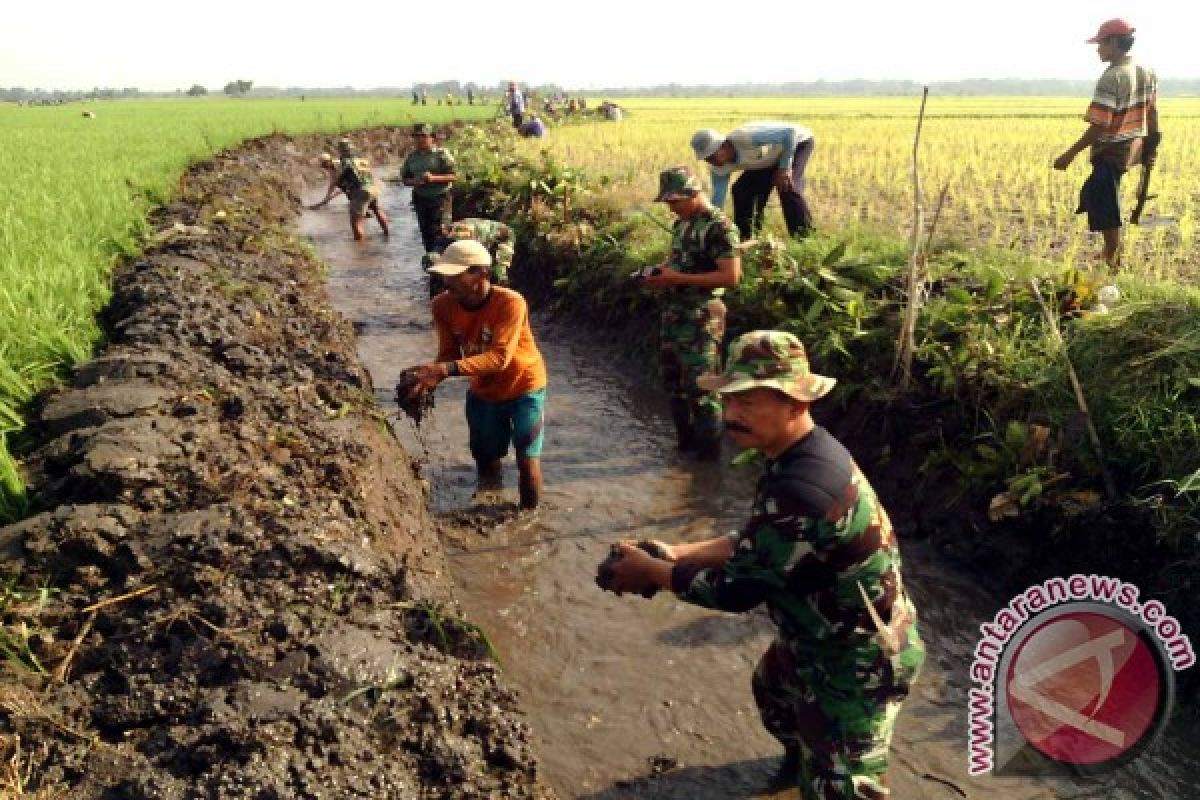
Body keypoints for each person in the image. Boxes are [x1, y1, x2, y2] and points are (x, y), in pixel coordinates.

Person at [604, 330, 924, 798]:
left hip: (859, 658)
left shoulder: (804, 484)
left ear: (796, 403)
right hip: (815, 636)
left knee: (841, 787)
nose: (733, 415)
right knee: (773, 694)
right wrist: (677, 552)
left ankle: (829, 770)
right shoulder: (795, 456)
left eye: (750, 403)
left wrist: (651, 573)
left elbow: (736, 591)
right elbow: (757, 542)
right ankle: (801, 771)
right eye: (730, 400)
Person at [400, 240, 548, 509]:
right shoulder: (442, 306)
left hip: (523, 385)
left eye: (456, 274)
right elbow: (448, 352)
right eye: (446, 273)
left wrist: (445, 370)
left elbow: (500, 359)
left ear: (482, 274)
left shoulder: (510, 303)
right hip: (484, 390)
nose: (447, 280)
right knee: (485, 456)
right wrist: (428, 377)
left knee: (527, 460)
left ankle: (530, 521)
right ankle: (490, 503)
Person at [639, 166, 741, 459]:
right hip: (673, 314)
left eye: (675, 202)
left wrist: (678, 279)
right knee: (674, 384)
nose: (671, 208)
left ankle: (709, 462)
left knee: (704, 388)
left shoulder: (719, 227)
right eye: (668, 203)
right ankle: (684, 449)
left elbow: (730, 277)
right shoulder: (681, 225)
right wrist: (658, 276)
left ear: (694, 194)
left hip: (702, 317)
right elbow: (676, 261)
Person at [1054, 18, 1159, 271]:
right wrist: (1150, 145)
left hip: (1111, 150)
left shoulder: (1113, 77)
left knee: (1105, 205)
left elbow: (1099, 125)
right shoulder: (1147, 69)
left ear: (1114, 42)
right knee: (1098, 196)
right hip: (1131, 147)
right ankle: (1111, 256)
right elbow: (1153, 111)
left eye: (1100, 44)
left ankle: (1112, 260)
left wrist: (1068, 155)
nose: (1098, 49)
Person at [690, 121, 816, 241]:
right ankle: (747, 237)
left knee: (786, 185)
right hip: (768, 159)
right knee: (742, 190)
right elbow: (717, 201)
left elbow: (790, 133)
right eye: (707, 159)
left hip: (797, 142)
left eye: (712, 156)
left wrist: (784, 167)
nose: (711, 162)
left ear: (724, 145)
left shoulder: (746, 138)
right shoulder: (718, 168)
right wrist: (709, 226)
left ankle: (805, 237)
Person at [309, 139, 390, 240]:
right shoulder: (360, 159)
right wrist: (326, 200)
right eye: (323, 165)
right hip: (372, 188)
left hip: (360, 191)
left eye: (325, 164)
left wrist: (326, 199)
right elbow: (336, 184)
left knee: (356, 221)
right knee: (377, 210)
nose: (324, 167)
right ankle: (387, 235)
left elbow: (337, 182)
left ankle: (360, 250)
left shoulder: (343, 162)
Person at [401, 123, 457, 253]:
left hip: (440, 198)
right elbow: (405, 180)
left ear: (432, 138)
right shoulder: (412, 157)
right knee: (426, 234)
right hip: (421, 199)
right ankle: (432, 264)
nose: (419, 140)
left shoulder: (441, 154)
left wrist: (433, 178)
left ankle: (446, 263)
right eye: (416, 137)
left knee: (442, 232)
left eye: (423, 136)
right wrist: (415, 181)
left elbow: (454, 176)